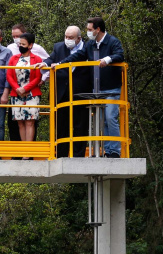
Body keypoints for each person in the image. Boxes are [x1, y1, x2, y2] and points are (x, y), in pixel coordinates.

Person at [45, 16, 124, 157]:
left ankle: (116, 151)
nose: (88, 32)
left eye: (89, 29)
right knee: (102, 120)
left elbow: (120, 55)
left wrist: (108, 59)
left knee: (111, 118)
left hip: (110, 87)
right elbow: (78, 56)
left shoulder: (112, 41)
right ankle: (108, 151)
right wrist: (61, 63)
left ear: (97, 29)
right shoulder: (91, 44)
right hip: (97, 89)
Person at [44, 26, 92, 157]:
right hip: (61, 92)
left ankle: (78, 155)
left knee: (80, 125)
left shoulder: (88, 48)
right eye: (66, 37)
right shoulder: (59, 47)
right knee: (61, 125)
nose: (67, 40)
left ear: (79, 38)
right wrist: (44, 64)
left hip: (80, 92)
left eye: (71, 38)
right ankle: (61, 155)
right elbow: (51, 59)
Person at [5, 24, 49, 142]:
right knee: (20, 123)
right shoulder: (13, 58)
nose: (20, 46)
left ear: (30, 45)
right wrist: (17, 88)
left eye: (23, 44)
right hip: (16, 93)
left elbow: (37, 77)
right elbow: (9, 75)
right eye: (19, 44)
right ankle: (23, 149)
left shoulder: (37, 59)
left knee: (30, 122)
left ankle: (29, 151)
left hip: (32, 93)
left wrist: (25, 89)